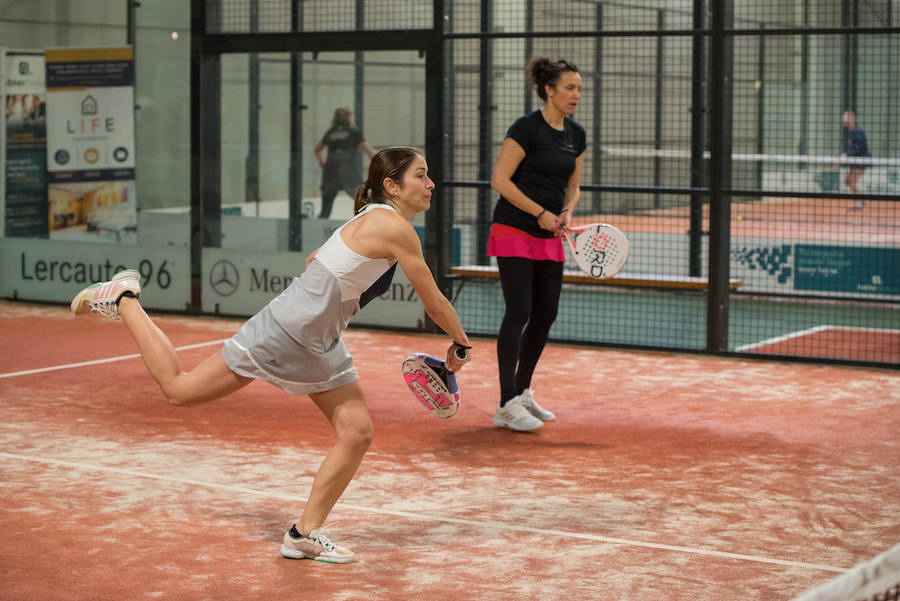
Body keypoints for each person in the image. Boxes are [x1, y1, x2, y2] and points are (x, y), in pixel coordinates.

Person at [69, 146, 472, 563]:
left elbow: (316, 259)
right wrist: (461, 344)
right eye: (421, 176)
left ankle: (303, 534)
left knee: (357, 433)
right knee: (179, 390)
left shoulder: (370, 218)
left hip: (320, 339)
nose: (430, 184)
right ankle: (124, 299)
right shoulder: (395, 228)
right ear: (392, 185)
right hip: (287, 330)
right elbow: (433, 302)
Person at [487, 56, 585, 432]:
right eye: (569, 87)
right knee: (519, 312)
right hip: (514, 227)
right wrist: (539, 213)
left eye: (578, 88)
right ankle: (505, 402)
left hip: (550, 232)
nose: (576, 94)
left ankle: (523, 391)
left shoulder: (576, 135)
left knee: (545, 314)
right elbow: (501, 179)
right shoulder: (525, 128)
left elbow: (572, 184)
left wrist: (567, 210)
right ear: (549, 89)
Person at [314, 108, 378, 219]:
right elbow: (369, 151)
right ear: (349, 117)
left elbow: (317, 150)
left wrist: (322, 163)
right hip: (348, 173)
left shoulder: (331, 132)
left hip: (331, 173)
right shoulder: (354, 132)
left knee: (325, 211)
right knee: (365, 206)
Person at [841, 110, 870, 210]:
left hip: (861, 161)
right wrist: (845, 156)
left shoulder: (858, 131)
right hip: (855, 162)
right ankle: (863, 200)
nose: (843, 121)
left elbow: (857, 148)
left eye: (845, 118)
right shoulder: (850, 132)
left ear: (852, 119)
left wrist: (846, 156)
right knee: (848, 181)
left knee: (851, 181)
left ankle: (859, 203)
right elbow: (850, 148)